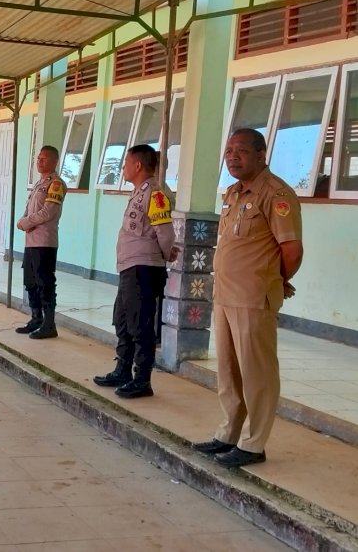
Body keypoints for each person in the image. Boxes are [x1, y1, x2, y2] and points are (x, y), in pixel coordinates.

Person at [192, 128, 303, 468]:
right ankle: (228, 434)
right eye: (228, 151)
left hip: (254, 297)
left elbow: (292, 250)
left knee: (257, 372)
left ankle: (254, 443)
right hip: (225, 295)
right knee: (228, 371)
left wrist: (275, 280)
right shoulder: (233, 193)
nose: (232, 156)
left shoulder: (276, 194)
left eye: (240, 150)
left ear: (261, 154)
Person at [93, 145, 175, 398]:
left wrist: (163, 254)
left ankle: (142, 379)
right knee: (123, 319)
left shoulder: (155, 194)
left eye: (126, 162)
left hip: (144, 267)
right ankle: (123, 369)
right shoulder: (139, 192)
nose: (123, 167)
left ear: (138, 165)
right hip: (130, 266)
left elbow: (166, 233)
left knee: (140, 324)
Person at [15, 145, 67, 340]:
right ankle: (36, 318)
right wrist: (23, 220)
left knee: (45, 283)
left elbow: (49, 212)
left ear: (54, 161)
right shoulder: (39, 184)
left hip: (44, 241)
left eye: (44, 159)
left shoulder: (56, 184)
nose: (39, 161)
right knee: (30, 281)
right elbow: (29, 208)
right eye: (38, 158)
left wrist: (25, 222)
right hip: (31, 240)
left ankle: (49, 323)